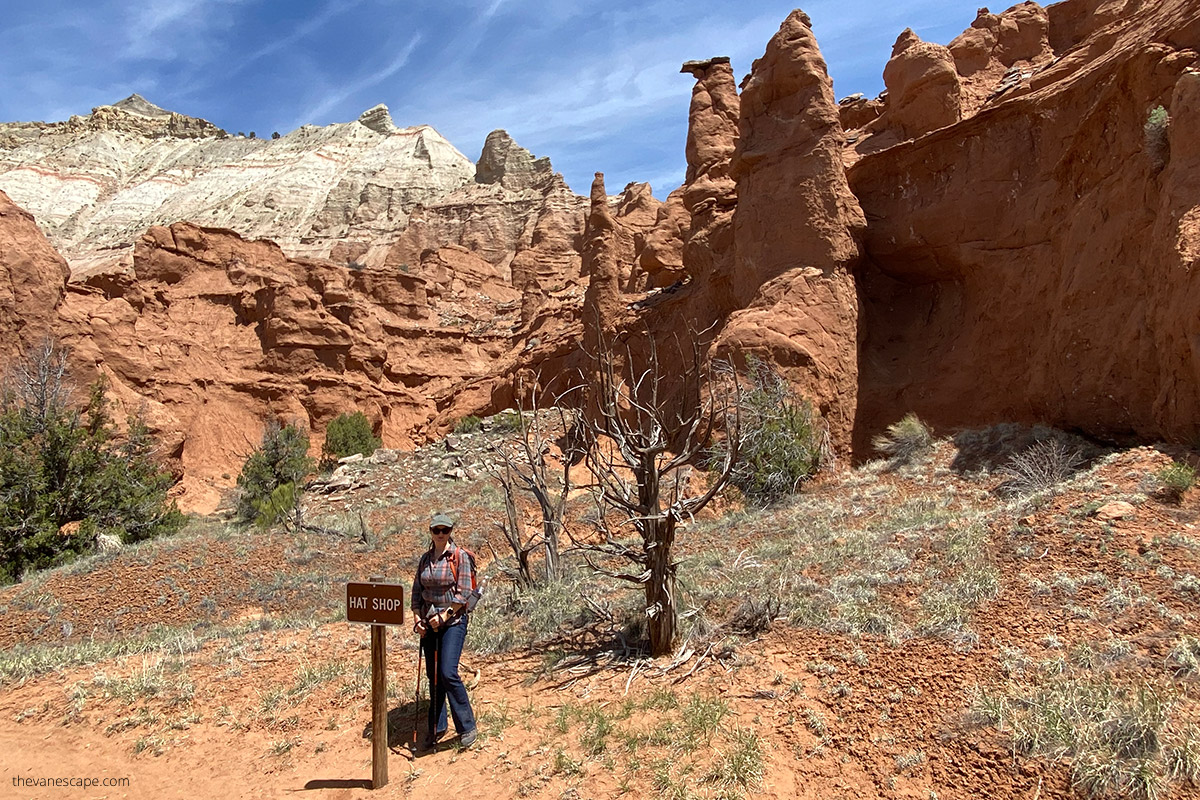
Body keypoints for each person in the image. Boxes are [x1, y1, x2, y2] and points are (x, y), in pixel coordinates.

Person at [411, 513, 477, 751]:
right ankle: (437, 727)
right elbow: (417, 592)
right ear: (430, 532)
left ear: (450, 531)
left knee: (448, 672)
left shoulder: (459, 557)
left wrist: (445, 616)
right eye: (436, 530)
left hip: (453, 623)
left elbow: (464, 593)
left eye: (445, 530)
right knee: (434, 676)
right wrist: (418, 619)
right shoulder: (425, 559)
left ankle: (467, 726)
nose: (440, 534)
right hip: (430, 624)